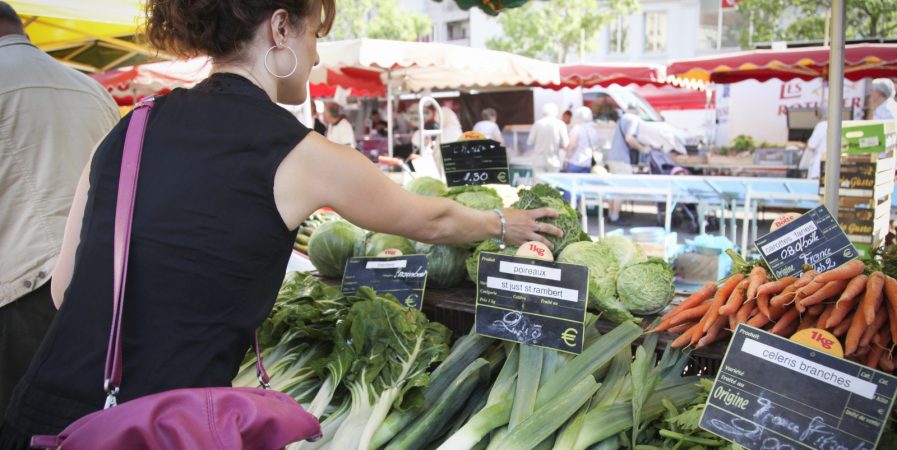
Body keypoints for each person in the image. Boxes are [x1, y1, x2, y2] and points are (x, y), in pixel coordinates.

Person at [0, 1, 562, 446]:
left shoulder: (130, 127)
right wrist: (501, 223)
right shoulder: (300, 153)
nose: (316, 56)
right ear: (280, 29)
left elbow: (64, 288)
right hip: (153, 429)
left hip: (42, 415)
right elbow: (432, 220)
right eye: (314, 33)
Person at [0, 2, 119, 429]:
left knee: (21, 430)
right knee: (88, 429)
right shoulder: (89, 87)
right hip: (100, 290)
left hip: (17, 296)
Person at [606, 105, 649, 224]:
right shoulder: (633, 119)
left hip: (612, 157)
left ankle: (611, 215)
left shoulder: (622, 119)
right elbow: (629, 138)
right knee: (622, 187)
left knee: (614, 188)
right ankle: (615, 217)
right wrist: (643, 149)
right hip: (621, 159)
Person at [527, 103, 569, 173]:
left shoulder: (537, 124)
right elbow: (565, 144)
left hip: (539, 160)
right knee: (552, 183)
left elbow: (530, 141)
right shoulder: (560, 124)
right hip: (554, 160)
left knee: (539, 183)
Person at [563, 107, 600, 174]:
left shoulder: (577, 129)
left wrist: (566, 159)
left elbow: (571, 145)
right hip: (587, 163)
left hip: (575, 163)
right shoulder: (593, 130)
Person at [799, 107, 827, 180]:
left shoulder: (822, 125)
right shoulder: (835, 125)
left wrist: (806, 143)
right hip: (829, 166)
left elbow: (812, 145)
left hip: (818, 166)